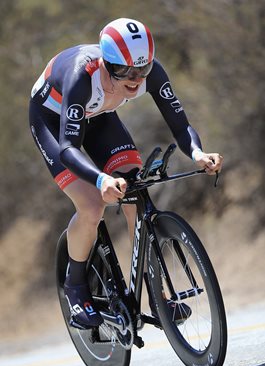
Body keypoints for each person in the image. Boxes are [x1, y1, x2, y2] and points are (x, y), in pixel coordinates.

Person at [29, 17, 223, 329]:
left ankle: (158, 298)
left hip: (100, 114)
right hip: (53, 121)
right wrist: (101, 179)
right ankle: (75, 287)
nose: (134, 79)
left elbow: (180, 124)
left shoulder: (150, 71)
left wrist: (199, 154)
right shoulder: (82, 75)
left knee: (135, 194)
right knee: (93, 204)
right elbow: (68, 148)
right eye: (124, 71)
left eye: (141, 71)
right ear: (107, 63)